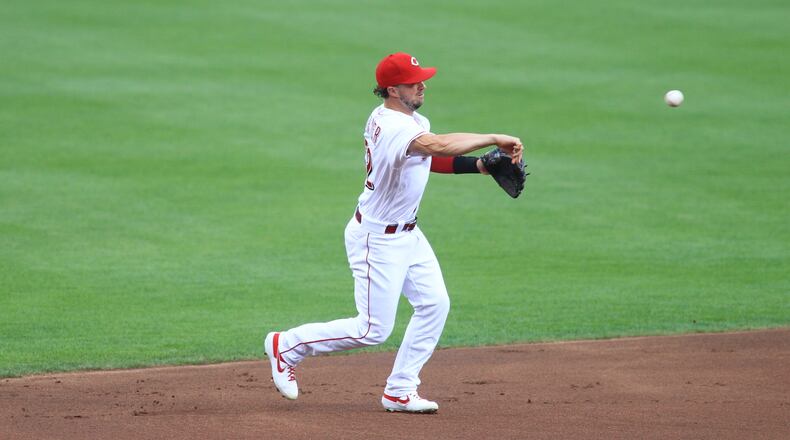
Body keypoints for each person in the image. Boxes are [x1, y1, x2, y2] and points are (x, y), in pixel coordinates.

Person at [265, 52, 524, 413]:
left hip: (408, 235)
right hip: (377, 239)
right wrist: (493, 137)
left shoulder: (411, 120)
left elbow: (428, 157)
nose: (422, 85)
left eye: (422, 79)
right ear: (391, 90)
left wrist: (478, 166)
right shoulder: (390, 125)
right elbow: (436, 145)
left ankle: (400, 389)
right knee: (372, 330)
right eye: (412, 82)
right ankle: (287, 346)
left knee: (434, 304)